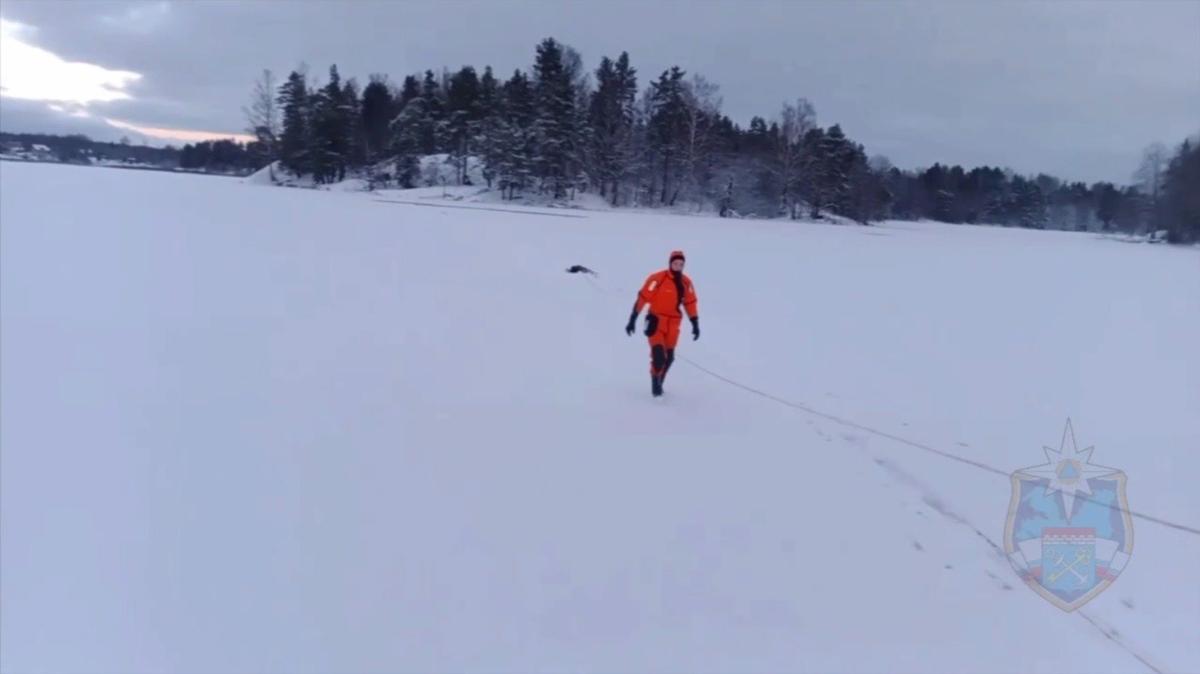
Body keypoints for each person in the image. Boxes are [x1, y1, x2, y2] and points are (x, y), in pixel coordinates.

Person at [625, 250, 700, 397]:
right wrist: (633, 319)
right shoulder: (657, 279)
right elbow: (643, 297)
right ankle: (655, 386)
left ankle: (660, 381)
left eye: (681, 264)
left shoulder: (686, 282)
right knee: (659, 356)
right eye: (675, 263)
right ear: (670, 263)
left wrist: (695, 323)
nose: (678, 266)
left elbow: (690, 303)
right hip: (656, 321)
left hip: (673, 324)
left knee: (669, 358)